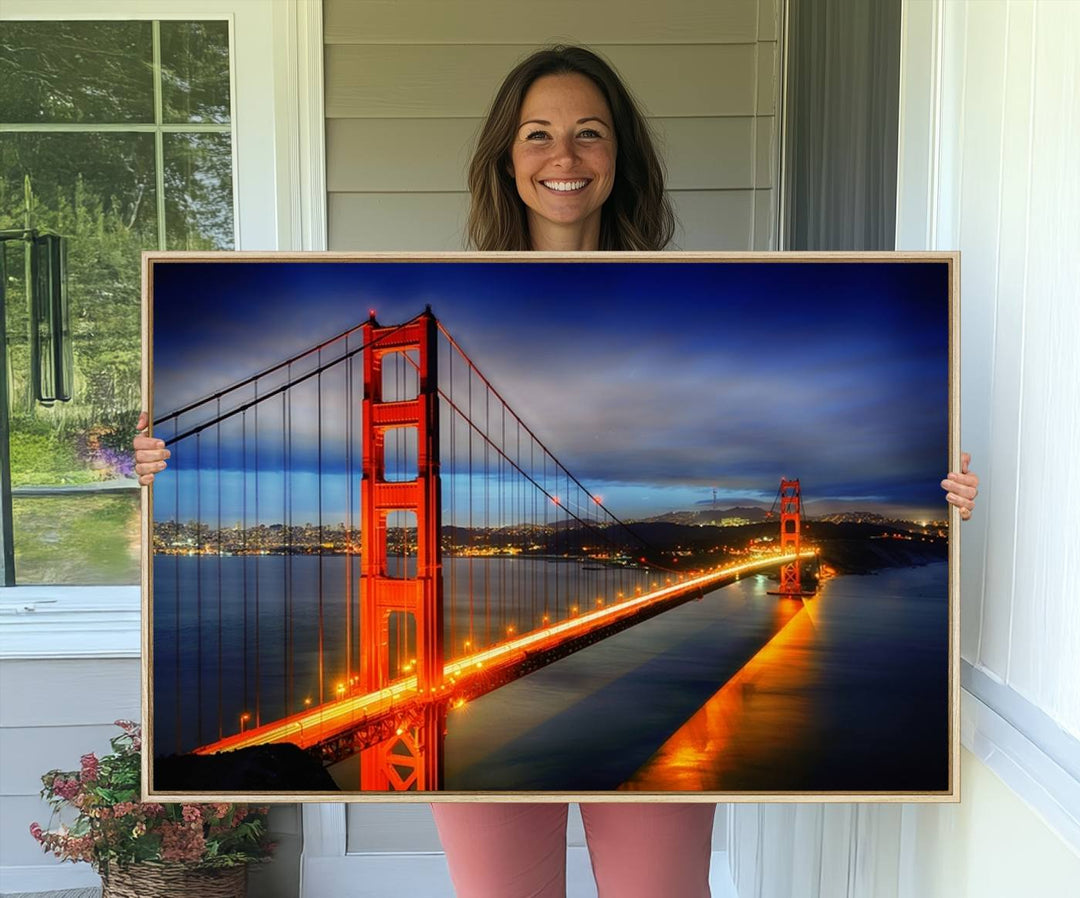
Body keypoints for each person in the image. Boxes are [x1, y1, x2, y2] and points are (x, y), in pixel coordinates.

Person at [134, 45, 980, 898]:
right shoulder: (454, 282)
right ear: (507, 157)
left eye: (589, 134)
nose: (564, 157)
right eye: (537, 135)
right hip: (430, 711)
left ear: (620, 158)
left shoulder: (683, 292)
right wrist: (153, 464)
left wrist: (945, 504)